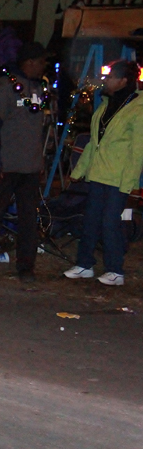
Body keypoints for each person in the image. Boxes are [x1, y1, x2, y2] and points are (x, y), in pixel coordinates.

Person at [0, 42, 49, 283]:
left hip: (30, 166)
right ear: (30, 62)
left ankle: (26, 266)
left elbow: (38, 128)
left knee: (28, 219)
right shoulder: (4, 87)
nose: (44, 66)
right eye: (42, 62)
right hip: (5, 165)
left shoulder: (40, 88)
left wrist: (41, 160)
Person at [64, 60, 143, 286]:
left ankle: (115, 269)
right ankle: (84, 264)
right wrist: (79, 171)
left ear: (123, 81)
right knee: (90, 220)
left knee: (110, 222)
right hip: (98, 173)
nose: (105, 81)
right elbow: (93, 141)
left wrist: (129, 183)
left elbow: (137, 150)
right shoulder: (106, 104)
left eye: (110, 78)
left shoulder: (138, 109)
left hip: (118, 176)